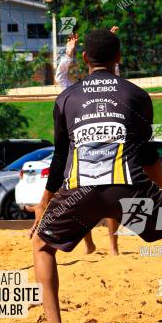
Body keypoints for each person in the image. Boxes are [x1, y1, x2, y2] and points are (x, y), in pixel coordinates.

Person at [30, 28, 162, 323]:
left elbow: (60, 157)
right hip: (130, 194)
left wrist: (44, 203)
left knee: (42, 246)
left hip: (80, 194)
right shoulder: (135, 95)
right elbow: (148, 153)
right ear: (119, 58)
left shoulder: (66, 97)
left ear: (84, 59)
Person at [54, 29, 121, 256]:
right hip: (84, 154)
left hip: (110, 150)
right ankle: (90, 245)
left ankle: (113, 247)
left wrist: (107, 47)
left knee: (112, 201)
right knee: (80, 202)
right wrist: (69, 54)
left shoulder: (109, 89)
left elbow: (114, 79)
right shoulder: (74, 92)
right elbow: (60, 77)